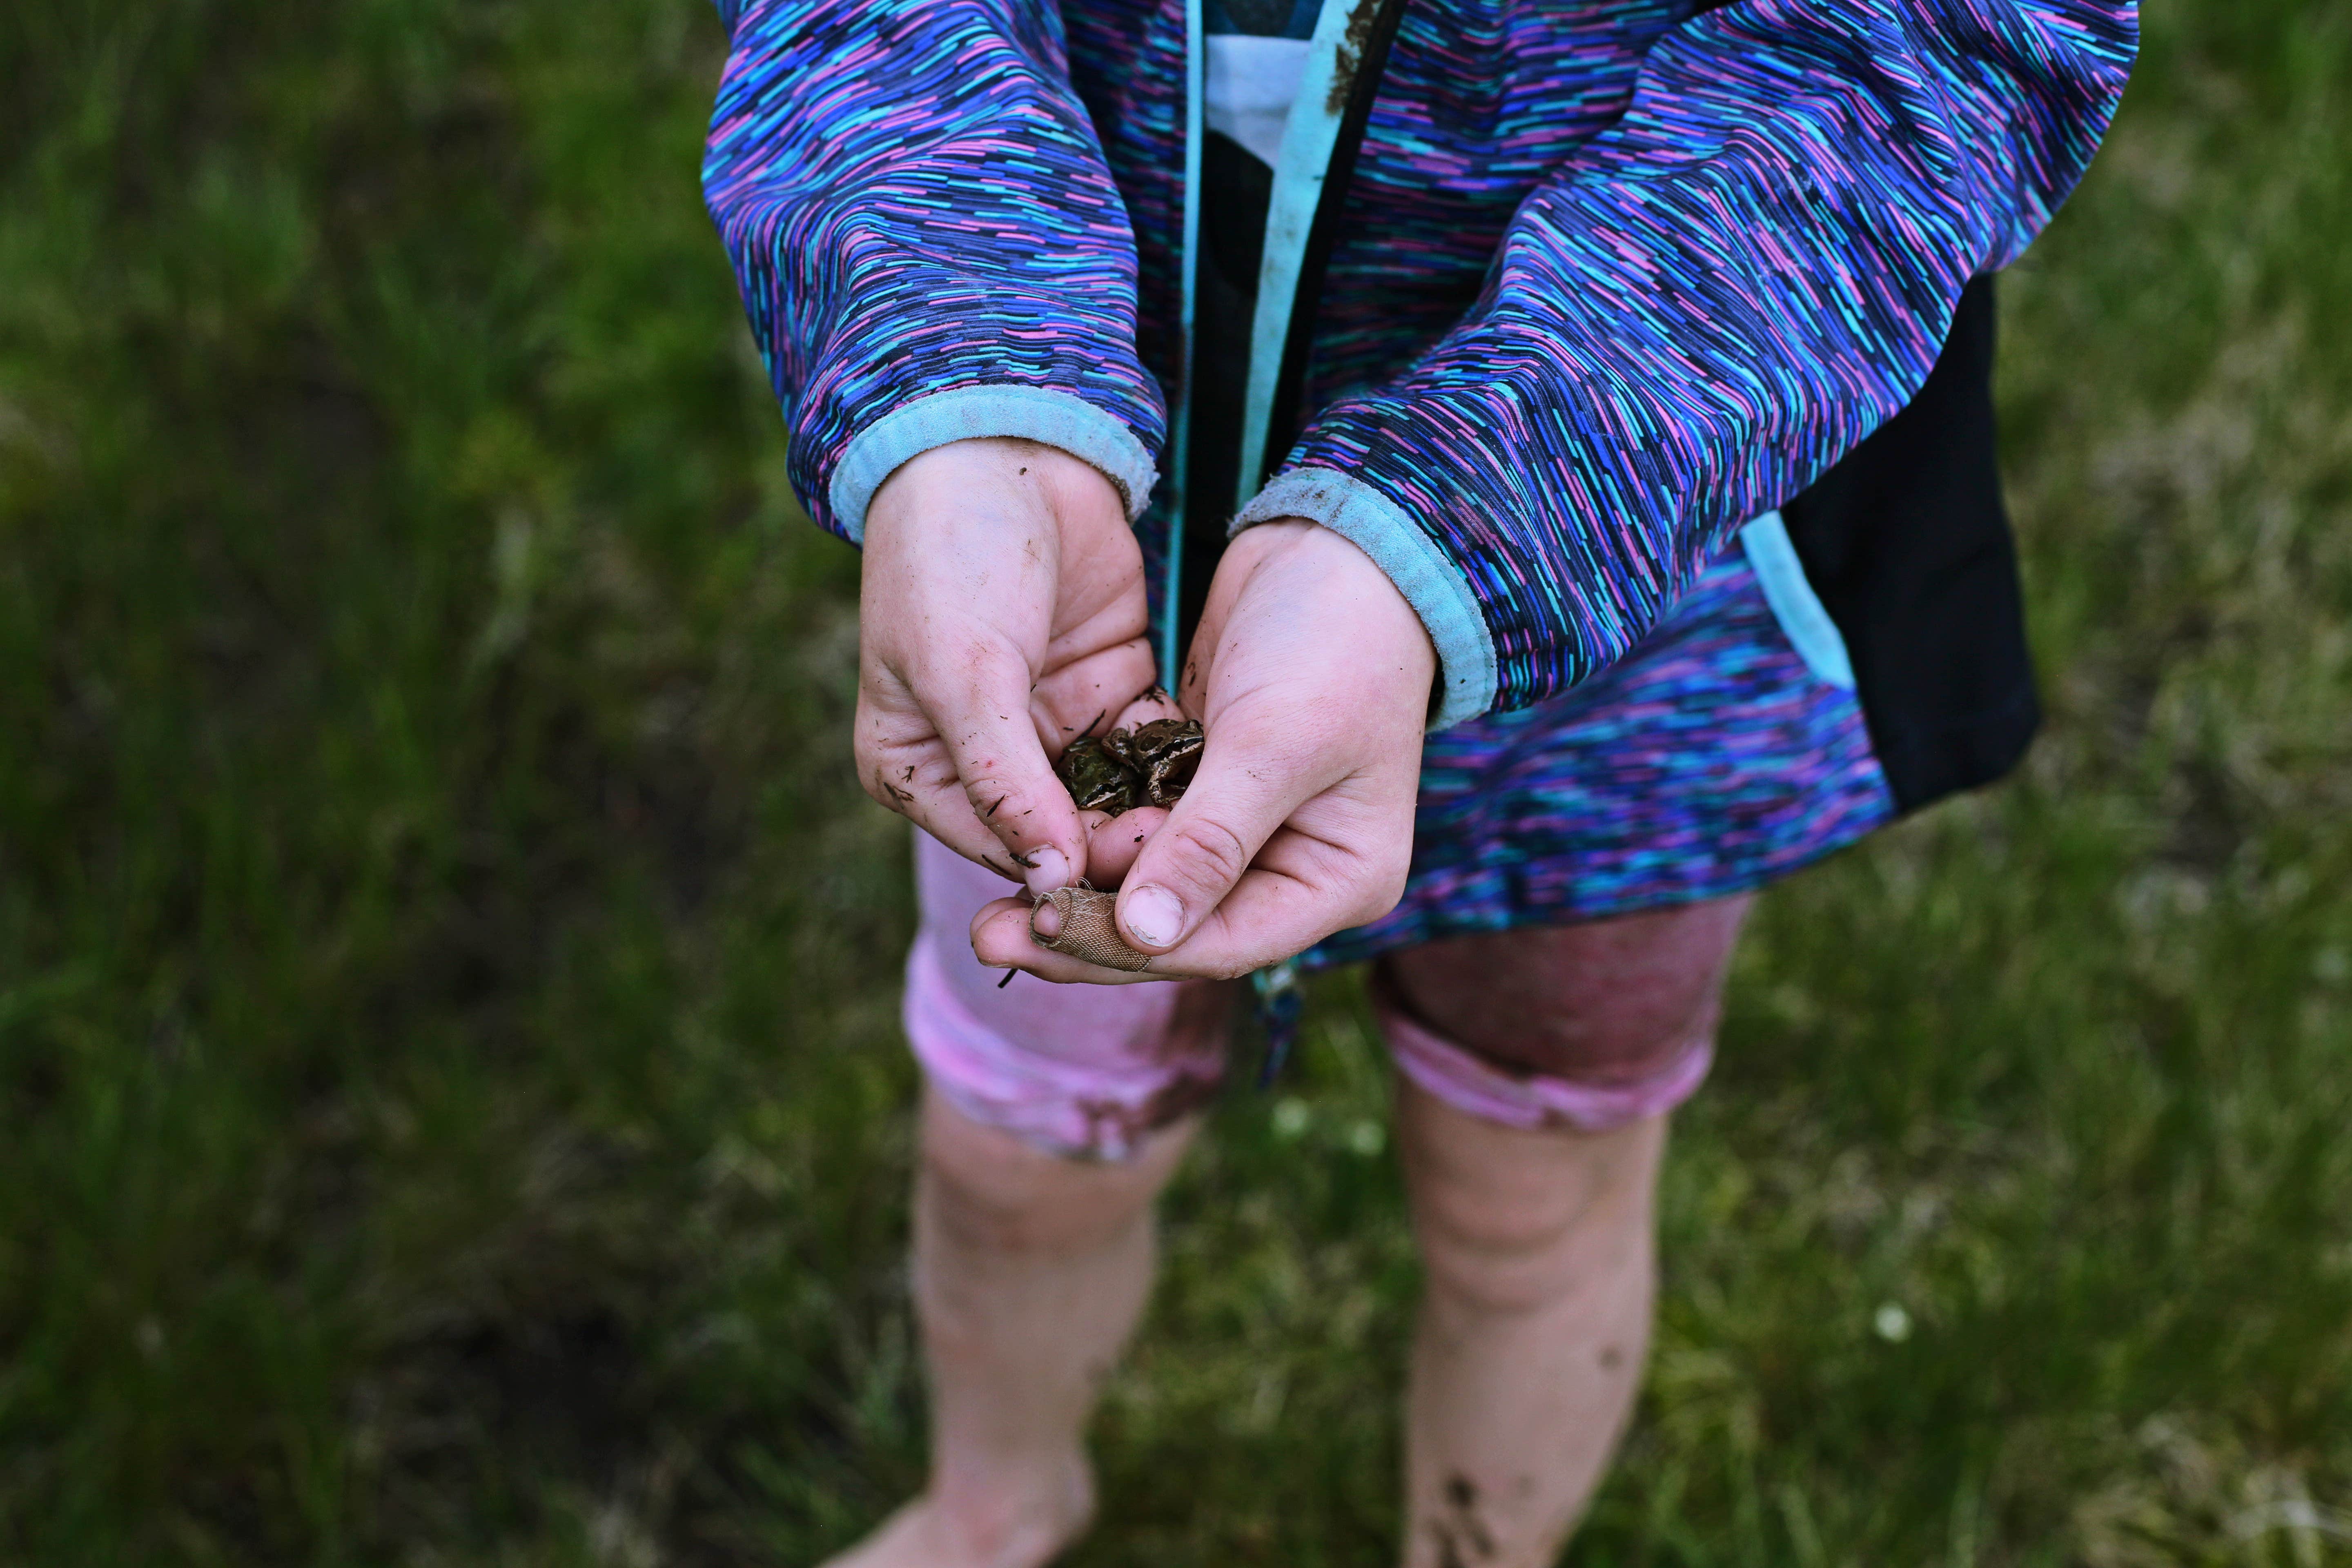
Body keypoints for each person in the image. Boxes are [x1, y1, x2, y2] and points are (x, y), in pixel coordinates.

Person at [702, 0, 2136, 1561]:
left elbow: (1921, 58)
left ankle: (1477, 1542)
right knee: (1023, 1142)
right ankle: (993, 1505)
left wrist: (1466, 526)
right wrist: (956, 375)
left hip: (1626, 570)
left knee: (1531, 1192)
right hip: (1073, 561)